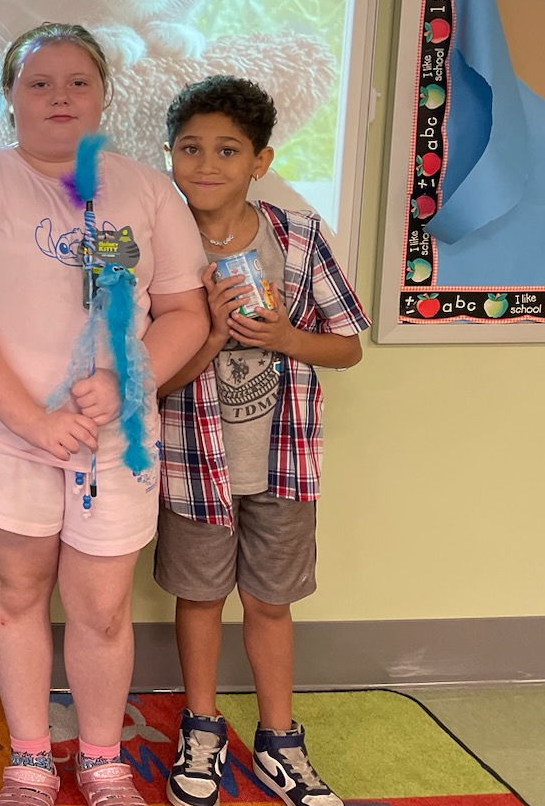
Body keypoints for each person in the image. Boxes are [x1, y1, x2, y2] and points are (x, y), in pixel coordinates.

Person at [0, 22, 210, 806]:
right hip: (5, 431)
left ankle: (104, 759)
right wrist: (30, 420)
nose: (58, 97)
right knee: (17, 594)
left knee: (103, 608)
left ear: (104, 95)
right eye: (38, 82)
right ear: (9, 96)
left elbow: (185, 310)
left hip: (115, 439)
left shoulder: (147, 191)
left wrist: (125, 376)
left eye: (77, 82)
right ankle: (31, 759)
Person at [155, 76, 368, 806]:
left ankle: (279, 740)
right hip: (191, 467)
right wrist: (211, 335)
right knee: (201, 597)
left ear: (261, 160)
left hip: (283, 462)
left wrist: (287, 338)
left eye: (227, 150)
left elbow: (348, 347)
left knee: (271, 602)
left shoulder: (298, 237)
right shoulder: (156, 239)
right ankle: (202, 729)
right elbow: (135, 369)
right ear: (169, 155)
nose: (206, 164)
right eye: (189, 148)